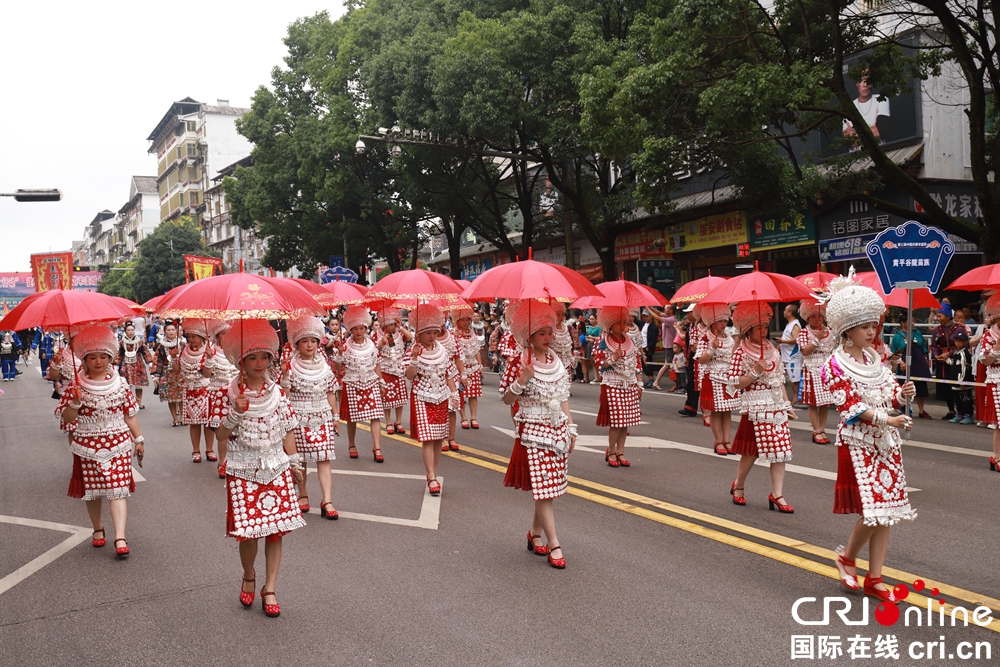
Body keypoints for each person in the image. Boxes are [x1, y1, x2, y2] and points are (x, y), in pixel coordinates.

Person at [821, 269, 916, 602]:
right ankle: (847, 558)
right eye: (866, 327)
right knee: (874, 509)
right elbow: (849, 408)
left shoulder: (877, 361)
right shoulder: (833, 365)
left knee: (888, 509)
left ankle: (875, 577)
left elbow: (889, 396)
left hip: (886, 442)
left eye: (874, 325)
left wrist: (902, 395)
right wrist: (891, 420)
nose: (872, 331)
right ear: (847, 330)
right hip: (858, 442)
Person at [215, 319, 306, 618]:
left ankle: (270, 588)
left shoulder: (278, 394)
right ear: (241, 360)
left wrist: (294, 463)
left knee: (276, 533)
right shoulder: (228, 394)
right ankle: (249, 574)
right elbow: (220, 435)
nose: (259, 363)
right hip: (243, 469)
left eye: (264, 356)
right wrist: (235, 413)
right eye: (251, 357)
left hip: (276, 467)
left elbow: (288, 430)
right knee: (249, 534)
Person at [56, 325, 145, 559]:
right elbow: (67, 419)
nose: (98, 361)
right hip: (87, 445)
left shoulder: (121, 383)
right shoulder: (76, 385)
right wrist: (75, 402)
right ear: (84, 359)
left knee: (118, 490)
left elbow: (129, 414)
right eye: (93, 357)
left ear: (111, 358)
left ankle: (120, 536)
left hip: (118, 443)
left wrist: (139, 438)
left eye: (103, 357)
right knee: (93, 492)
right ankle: (97, 528)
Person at [500, 302, 576, 568]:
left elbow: (563, 396)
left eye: (550, 332)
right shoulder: (518, 361)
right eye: (541, 333)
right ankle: (554, 543)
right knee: (544, 490)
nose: (547, 337)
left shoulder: (557, 361)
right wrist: (522, 379)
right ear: (529, 335)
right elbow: (506, 398)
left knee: (549, 489)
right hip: (532, 432)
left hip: (557, 431)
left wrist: (571, 426)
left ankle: (534, 533)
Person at [727, 301, 797, 512]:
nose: (764, 331)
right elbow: (734, 382)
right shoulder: (740, 351)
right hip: (755, 406)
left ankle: (778, 494)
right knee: (750, 452)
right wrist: (755, 372)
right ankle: (738, 485)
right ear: (749, 329)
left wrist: (787, 404)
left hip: (775, 405)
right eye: (760, 327)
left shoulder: (772, 348)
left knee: (781, 450)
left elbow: (778, 379)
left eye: (766, 326)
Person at [282, 316, 340, 520]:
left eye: (313, 341)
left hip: (322, 415)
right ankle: (303, 494)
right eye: (305, 341)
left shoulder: (324, 366)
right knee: (301, 459)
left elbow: (331, 391)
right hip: (298, 417)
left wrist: (335, 416)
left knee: (324, 458)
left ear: (318, 343)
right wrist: (285, 377)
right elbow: (284, 398)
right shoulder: (289, 365)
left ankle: (328, 500)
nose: (309, 345)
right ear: (297, 343)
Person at [405, 305, 456, 495]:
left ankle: (433, 472)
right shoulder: (413, 350)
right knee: (427, 438)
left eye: (435, 332)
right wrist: (415, 358)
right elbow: (409, 375)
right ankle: (431, 475)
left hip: (441, 396)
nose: (432, 336)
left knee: (438, 438)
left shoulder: (442, 350)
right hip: (422, 397)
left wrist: (454, 394)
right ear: (419, 333)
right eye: (428, 333)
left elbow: (449, 374)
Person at [331, 306, 387, 462]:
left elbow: (377, 364)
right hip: (353, 383)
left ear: (365, 328)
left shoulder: (372, 345)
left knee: (375, 416)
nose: (358, 331)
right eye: (355, 329)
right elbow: (338, 368)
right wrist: (340, 353)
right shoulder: (345, 345)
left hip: (371, 381)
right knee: (352, 418)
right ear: (350, 329)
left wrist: (381, 382)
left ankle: (377, 448)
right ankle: (351, 444)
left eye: (361, 328)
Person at [593, 306, 643, 467]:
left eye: (624, 322)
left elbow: (637, 362)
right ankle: (611, 451)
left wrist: (639, 382)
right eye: (619, 323)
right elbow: (599, 364)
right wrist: (614, 357)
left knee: (625, 420)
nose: (623, 326)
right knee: (617, 421)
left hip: (629, 383)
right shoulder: (602, 342)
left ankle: (621, 451)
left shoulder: (630, 340)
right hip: (612, 383)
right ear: (610, 324)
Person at [696, 303, 738, 455]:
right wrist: (712, 348)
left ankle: (727, 440)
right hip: (712, 377)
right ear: (712, 322)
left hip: (727, 377)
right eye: (720, 321)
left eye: (725, 321)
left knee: (727, 411)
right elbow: (701, 359)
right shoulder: (705, 338)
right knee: (716, 411)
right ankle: (718, 440)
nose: (723, 324)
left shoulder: (729, 338)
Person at [797, 299, 836, 444]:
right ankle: (816, 430)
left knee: (825, 402)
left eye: (819, 316)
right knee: (813, 403)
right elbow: (805, 351)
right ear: (807, 318)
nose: (817, 319)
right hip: (812, 369)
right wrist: (817, 339)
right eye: (813, 316)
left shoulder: (830, 332)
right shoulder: (803, 333)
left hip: (827, 369)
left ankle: (822, 428)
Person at [179, 319, 216, 463]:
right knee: (194, 422)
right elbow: (178, 371)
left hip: (206, 389)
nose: (191, 339)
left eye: (194, 336)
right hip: (189, 389)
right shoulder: (184, 349)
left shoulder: (209, 349)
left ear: (201, 336)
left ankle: (209, 449)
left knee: (208, 422)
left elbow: (210, 372)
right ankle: (195, 450)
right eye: (189, 336)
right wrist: (175, 357)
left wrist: (209, 357)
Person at [890, 312, 932, 419]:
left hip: (917, 361)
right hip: (904, 361)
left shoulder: (917, 333)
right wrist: (901, 362)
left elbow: (923, 348)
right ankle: (904, 408)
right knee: (903, 386)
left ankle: (922, 410)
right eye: (910, 321)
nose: (913, 323)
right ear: (903, 323)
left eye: (914, 320)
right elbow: (894, 352)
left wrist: (926, 360)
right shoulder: (897, 336)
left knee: (920, 386)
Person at [377, 308, 411, 435]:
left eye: (394, 324)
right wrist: (381, 342)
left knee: (400, 396)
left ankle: (398, 421)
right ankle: (388, 422)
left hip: (399, 369)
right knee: (387, 397)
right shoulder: (378, 334)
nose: (392, 326)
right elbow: (375, 350)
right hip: (385, 369)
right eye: (390, 324)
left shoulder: (400, 334)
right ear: (384, 324)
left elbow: (411, 337)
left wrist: (400, 327)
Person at [454, 307, 484, 430]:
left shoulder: (472, 333)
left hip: (473, 366)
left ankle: (473, 417)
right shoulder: (453, 333)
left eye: (468, 320)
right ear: (457, 320)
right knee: (460, 393)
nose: (465, 322)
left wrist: (480, 365)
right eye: (463, 320)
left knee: (473, 394)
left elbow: (477, 350)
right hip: (460, 368)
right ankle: (463, 417)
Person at [930, 304, 962, 420]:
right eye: (937, 316)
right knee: (945, 386)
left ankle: (961, 411)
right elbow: (934, 345)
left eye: (940, 316)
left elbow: (962, 345)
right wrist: (936, 355)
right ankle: (951, 410)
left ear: (948, 316)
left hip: (955, 360)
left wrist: (949, 353)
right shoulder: (936, 330)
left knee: (955, 385)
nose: (938, 318)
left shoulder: (958, 328)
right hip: (941, 361)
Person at [153, 321, 185, 426]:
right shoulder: (161, 346)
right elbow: (158, 361)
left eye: (173, 329)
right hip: (166, 373)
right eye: (168, 330)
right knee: (171, 398)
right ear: (165, 332)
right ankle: (175, 419)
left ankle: (183, 417)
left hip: (180, 373)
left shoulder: (182, 344)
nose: (171, 332)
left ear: (176, 331)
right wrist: (156, 376)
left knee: (182, 397)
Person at [842, 76, 890, 144]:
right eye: (862, 81)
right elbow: (849, 141)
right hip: (856, 153)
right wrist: (873, 128)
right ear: (857, 83)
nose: (865, 85)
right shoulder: (849, 106)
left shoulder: (881, 99)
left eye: (868, 81)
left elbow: (880, 131)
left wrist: (856, 133)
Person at [981, 295, 1000, 468]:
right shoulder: (989, 336)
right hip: (996, 379)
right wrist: (997, 346)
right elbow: (985, 361)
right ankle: (997, 456)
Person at [117, 322, 151, 409]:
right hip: (126, 364)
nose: (131, 332)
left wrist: (149, 362)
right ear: (125, 331)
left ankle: (139, 402)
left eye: (132, 330)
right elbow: (118, 354)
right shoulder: (121, 342)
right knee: (126, 384)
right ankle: (127, 402)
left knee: (139, 384)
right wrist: (116, 364)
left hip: (138, 363)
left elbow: (145, 352)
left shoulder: (139, 342)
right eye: (129, 330)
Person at [945, 330, 975, 424]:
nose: (958, 343)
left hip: (962, 383)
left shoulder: (964, 354)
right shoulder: (955, 353)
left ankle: (968, 415)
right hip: (955, 382)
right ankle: (960, 414)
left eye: (960, 341)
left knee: (966, 399)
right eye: (956, 341)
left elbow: (965, 368)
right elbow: (953, 363)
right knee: (957, 400)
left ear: (965, 342)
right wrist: (947, 360)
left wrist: (963, 381)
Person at [774, 304, 803, 404]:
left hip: (793, 356)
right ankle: (796, 398)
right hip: (788, 355)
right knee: (792, 378)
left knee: (795, 379)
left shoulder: (795, 324)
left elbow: (796, 339)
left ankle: (796, 398)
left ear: (790, 313)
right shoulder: (789, 324)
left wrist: (782, 341)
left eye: (785, 310)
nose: (783, 312)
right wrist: (781, 345)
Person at [678, 305, 701, 416]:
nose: (687, 315)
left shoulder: (702, 326)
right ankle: (690, 407)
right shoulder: (690, 326)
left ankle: (695, 407)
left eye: (690, 312)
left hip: (699, 358)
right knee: (691, 383)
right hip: (690, 358)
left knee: (696, 383)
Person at [583, 314, 601, 384]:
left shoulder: (599, 328)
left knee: (598, 361)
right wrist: (589, 339)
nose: (591, 321)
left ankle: (601, 377)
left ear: (596, 319)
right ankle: (596, 378)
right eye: (590, 319)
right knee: (592, 362)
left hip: (597, 345)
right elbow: (586, 337)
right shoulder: (589, 328)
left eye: (593, 319)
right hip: (590, 345)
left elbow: (599, 337)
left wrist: (592, 338)